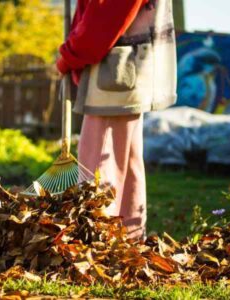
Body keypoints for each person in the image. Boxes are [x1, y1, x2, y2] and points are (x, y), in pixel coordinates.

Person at [56, 0, 177, 239]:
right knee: (124, 159)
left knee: (100, 164)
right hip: (127, 70)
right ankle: (127, 241)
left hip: (115, 71)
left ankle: (98, 244)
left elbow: (104, 17)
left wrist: (69, 56)